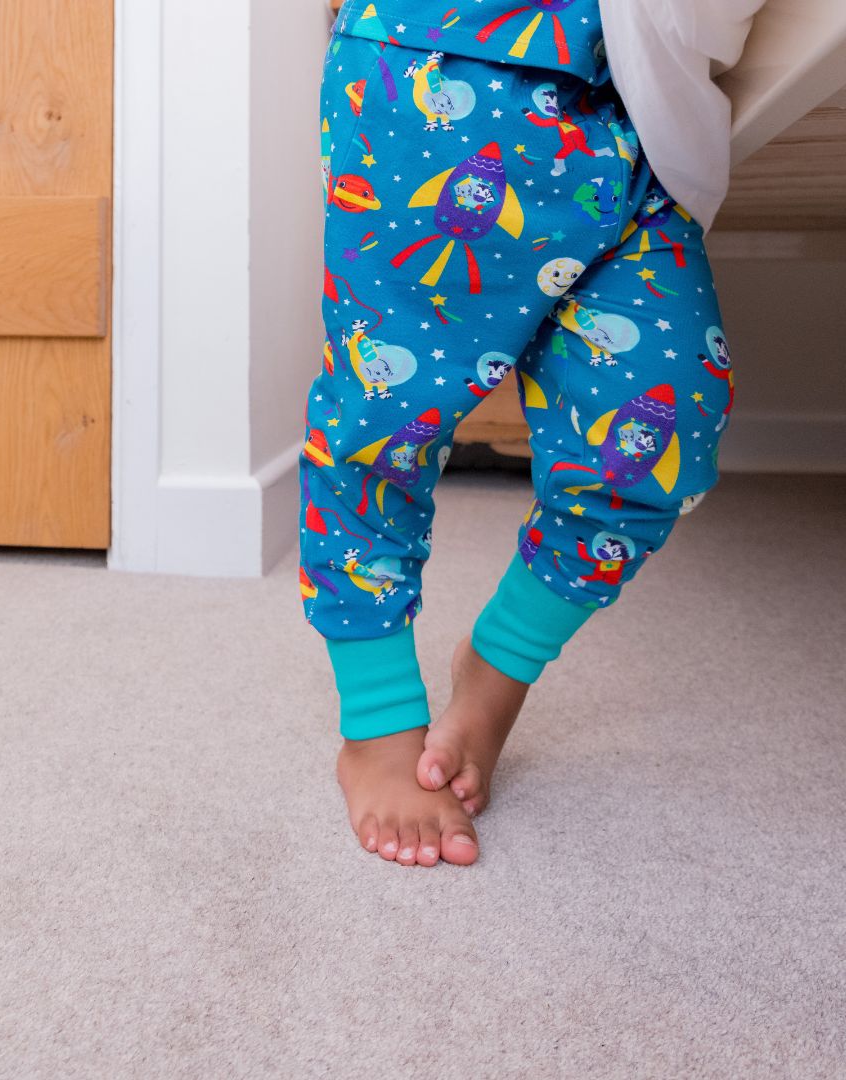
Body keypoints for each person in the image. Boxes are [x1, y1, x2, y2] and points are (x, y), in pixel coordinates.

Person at [299, 0, 764, 866]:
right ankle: (378, 720)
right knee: (380, 424)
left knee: (664, 426)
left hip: (630, 113)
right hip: (431, 67)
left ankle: (498, 667)